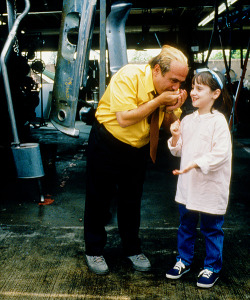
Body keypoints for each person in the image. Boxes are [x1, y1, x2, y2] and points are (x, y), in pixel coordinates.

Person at [84, 45, 189, 275]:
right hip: (108, 142)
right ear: (157, 70)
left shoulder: (169, 92)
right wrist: (160, 100)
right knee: (99, 198)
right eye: (173, 80)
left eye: (181, 82)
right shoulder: (129, 76)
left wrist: (172, 109)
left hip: (138, 148)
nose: (176, 87)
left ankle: (132, 248)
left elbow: (165, 125)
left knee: (131, 200)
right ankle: (93, 249)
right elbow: (124, 118)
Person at [166, 68, 232, 288]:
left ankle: (212, 267)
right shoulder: (187, 120)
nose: (193, 92)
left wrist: (197, 163)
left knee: (212, 228)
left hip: (210, 187)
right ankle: (183, 260)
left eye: (199, 89)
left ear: (215, 94)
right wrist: (175, 137)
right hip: (189, 186)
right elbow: (177, 151)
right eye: (193, 87)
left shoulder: (218, 121)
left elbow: (221, 154)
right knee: (186, 225)